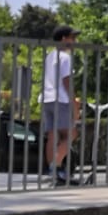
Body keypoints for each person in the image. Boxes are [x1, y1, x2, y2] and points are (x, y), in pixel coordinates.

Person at [42, 27, 80, 184]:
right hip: (61, 99)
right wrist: (75, 104)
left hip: (47, 98)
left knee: (52, 136)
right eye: (72, 38)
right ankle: (56, 166)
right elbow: (66, 81)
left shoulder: (50, 56)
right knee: (71, 134)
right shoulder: (65, 57)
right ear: (64, 38)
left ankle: (52, 174)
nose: (75, 42)